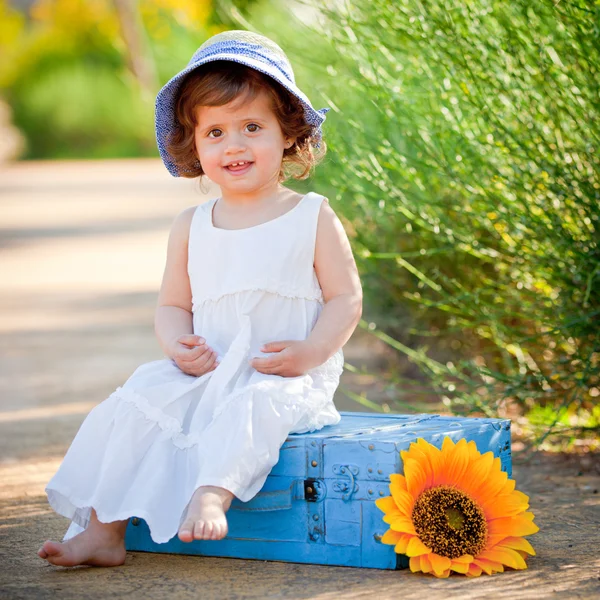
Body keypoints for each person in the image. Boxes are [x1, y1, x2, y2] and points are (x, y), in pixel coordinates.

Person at [38, 30, 363, 568]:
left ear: (288, 133)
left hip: (280, 371)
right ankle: (103, 528)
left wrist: (311, 352)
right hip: (209, 369)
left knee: (254, 406)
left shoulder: (311, 216)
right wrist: (176, 344)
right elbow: (172, 305)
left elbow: (345, 298)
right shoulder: (192, 225)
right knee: (140, 398)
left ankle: (213, 491)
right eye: (215, 132)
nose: (234, 145)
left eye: (252, 127)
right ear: (194, 145)